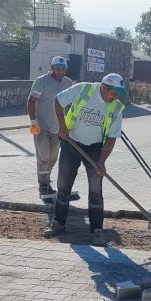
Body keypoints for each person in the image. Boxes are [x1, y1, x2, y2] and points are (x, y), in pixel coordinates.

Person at [51, 73, 128, 246]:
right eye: (113, 93)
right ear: (104, 87)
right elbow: (57, 101)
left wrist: (102, 161)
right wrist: (62, 127)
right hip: (71, 144)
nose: (115, 97)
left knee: (95, 189)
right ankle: (58, 223)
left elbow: (111, 138)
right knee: (63, 185)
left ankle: (97, 230)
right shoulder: (83, 89)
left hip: (94, 149)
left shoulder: (116, 108)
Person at [28, 55, 78, 202]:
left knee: (53, 157)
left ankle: (47, 182)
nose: (60, 72)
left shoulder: (68, 83)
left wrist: (69, 125)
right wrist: (33, 122)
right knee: (43, 157)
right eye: (57, 69)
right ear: (51, 68)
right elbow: (31, 101)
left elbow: (70, 105)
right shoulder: (41, 81)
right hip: (41, 126)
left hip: (58, 128)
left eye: (63, 69)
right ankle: (43, 185)